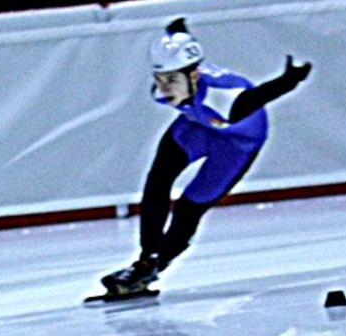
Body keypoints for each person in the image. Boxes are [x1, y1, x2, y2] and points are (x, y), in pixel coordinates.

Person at [100, 18, 311, 297]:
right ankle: (146, 260)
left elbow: (259, 96)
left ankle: (157, 266)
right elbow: (180, 56)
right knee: (158, 180)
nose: (164, 88)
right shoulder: (170, 87)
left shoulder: (226, 99)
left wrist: (289, 80)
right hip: (198, 125)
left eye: (171, 80)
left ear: (193, 77)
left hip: (237, 142)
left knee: (189, 207)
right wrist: (177, 30)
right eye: (160, 78)